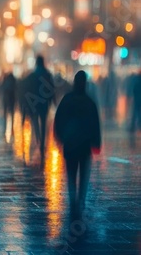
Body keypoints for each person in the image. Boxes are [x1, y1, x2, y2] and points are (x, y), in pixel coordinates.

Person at [54, 71, 101, 216]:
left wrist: (60, 137)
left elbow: (59, 119)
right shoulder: (89, 101)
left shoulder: (67, 99)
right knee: (84, 174)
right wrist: (96, 142)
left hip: (70, 145)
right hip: (84, 145)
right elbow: (95, 124)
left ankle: (73, 198)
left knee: (71, 173)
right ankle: (81, 200)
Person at [22, 55, 55, 166]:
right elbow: (52, 89)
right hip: (44, 102)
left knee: (35, 121)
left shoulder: (32, 75)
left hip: (35, 103)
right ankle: (42, 142)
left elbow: (26, 90)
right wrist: (52, 101)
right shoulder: (48, 74)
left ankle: (38, 138)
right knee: (44, 122)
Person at [1, 71, 17, 139]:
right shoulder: (14, 82)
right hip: (12, 100)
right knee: (12, 114)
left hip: (6, 100)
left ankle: (5, 126)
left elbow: (2, 89)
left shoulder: (5, 82)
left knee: (6, 114)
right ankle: (12, 127)